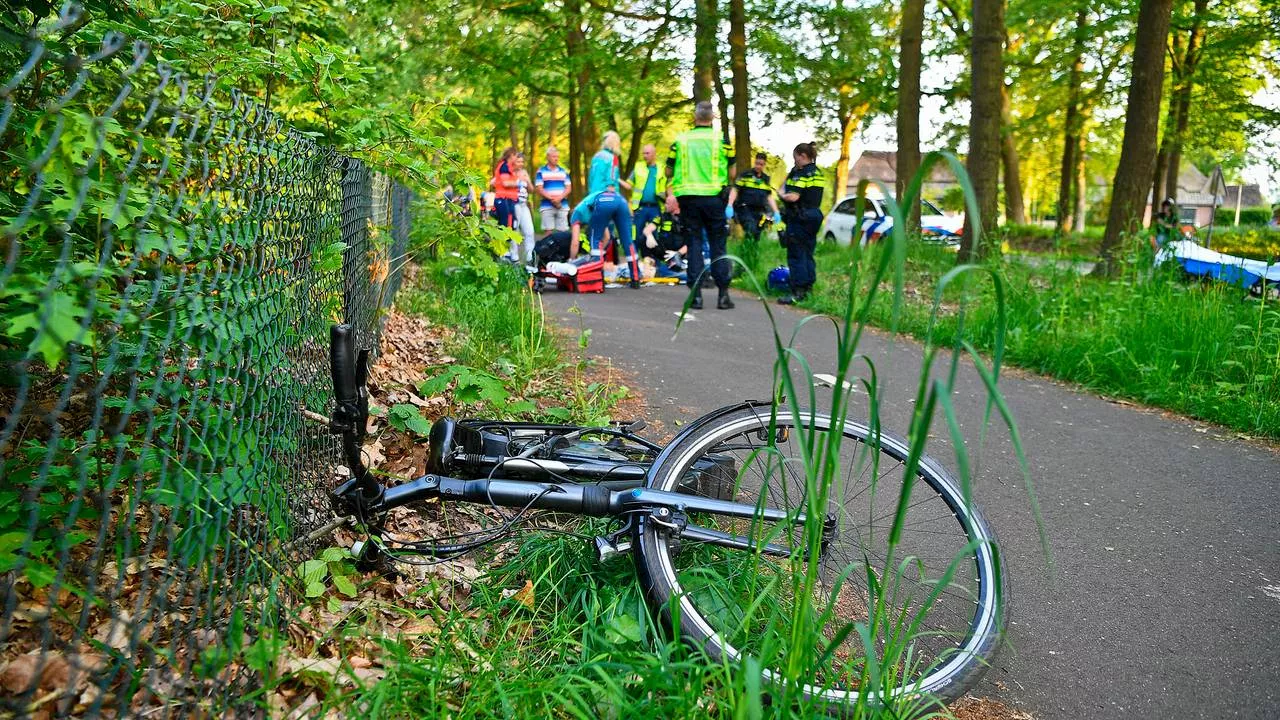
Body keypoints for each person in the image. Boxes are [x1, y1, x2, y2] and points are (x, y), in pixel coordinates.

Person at [665, 101, 736, 309]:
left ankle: (696, 296)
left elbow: (668, 171)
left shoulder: (681, 141)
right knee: (718, 245)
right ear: (712, 117)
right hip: (715, 199)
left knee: (694, 244)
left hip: (688, 200)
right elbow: (732, 172)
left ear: (695, 117)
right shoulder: (722, 141)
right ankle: (723, 295)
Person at [777, 142, 823, 305]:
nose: (794, 162)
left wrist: (781, 194)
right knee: (808, 252)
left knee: (796, 254)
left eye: (795, 158)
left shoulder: (801, 174)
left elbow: (793, 196)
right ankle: (808, 287)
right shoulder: (817, 173)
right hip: (814, 215)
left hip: (799, 217)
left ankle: (797, 291)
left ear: (803, 156)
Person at [567, 190, 641, 288]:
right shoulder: (590, 210)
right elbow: (607, 237)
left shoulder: (575, 214)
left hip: (603, 202)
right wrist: (600, 253)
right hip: (620, 200)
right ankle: (635, 279)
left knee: (595, 239)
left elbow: (575, 242)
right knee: (627, 241)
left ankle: (596, 278)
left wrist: (572, 261)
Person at [726, 151, 781, 272]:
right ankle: (744, 262)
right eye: (757, 163)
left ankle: (750, 262)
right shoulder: (746, 175)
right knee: (750, 230)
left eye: (761, 164)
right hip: (745, 209)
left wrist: (776, 211)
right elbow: (735, 190)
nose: (758, 166)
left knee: (756, 236)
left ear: (764, 164)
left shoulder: (766, 179)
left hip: (759, 212)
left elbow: (769, 196)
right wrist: (730, 205)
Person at [630, 144, 665, 246]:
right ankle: (634, 258)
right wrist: (615, 179)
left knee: (655, 235)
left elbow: (668, 186)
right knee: (635, 234)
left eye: (647, 153)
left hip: (656, 208)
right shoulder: (638, 167)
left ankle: (656, 260)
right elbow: (628, 184)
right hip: (640, 208)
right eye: (643, 153)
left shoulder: (662, 168)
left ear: (654, 154)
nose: (645, 156)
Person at [491, 147, 521, 259]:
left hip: (508, 199)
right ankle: (502, 250)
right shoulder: (504, 166)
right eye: (515, 156)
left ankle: (505, 249)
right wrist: (519, 182)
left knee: (509, 224)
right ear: (511, 155)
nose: (516, 158)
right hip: (502, 198)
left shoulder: (509, 167)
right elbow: (505, 183)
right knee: (504, 224)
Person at [535, 147, 572, 232]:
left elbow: (568, 188)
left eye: (557, 157)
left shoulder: (564, 171)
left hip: (562, 205)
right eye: (554, 156)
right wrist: (553, 200)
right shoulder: (541, 171)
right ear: (548, 157)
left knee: (562, 233)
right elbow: (539, 188)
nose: (556, 159)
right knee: (548, 232)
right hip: (547, 206)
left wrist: (559, 199)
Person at [588, 131, 632, 195]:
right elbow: (611, 181)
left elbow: (590, 178)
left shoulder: (595, 157)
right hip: (605, 196)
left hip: (593, 194)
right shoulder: (613, 158)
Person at [512, 152, 536, 264]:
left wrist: (527, 180)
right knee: (515, 232)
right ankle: (514, 257)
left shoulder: (524, 172)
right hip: (513, 205)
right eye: (518, 161)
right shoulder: (509, 172)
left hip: (524, 205)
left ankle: (530, 257)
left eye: (522, 161)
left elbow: (531, 190)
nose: (520, 164)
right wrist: (517, 180)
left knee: (529, 231)